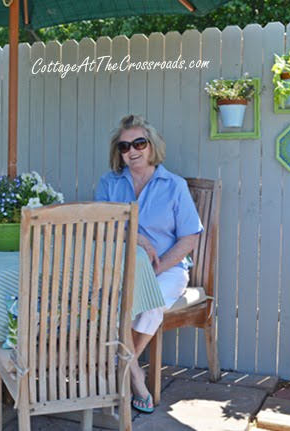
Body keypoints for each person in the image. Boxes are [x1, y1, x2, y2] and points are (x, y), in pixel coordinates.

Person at [94, 114, 203, 414]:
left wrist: (155, 269)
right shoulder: (109, 183)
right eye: (124, 146)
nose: (132, 151)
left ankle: (119, 368)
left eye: (139, 143)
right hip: (117, 266)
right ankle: (134, 374)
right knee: (106, 303)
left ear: (152, 146)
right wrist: (136, 237)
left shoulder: (174, 185)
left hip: (166, 268)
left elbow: (189, 239)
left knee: (150, 301)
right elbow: (101, 229)